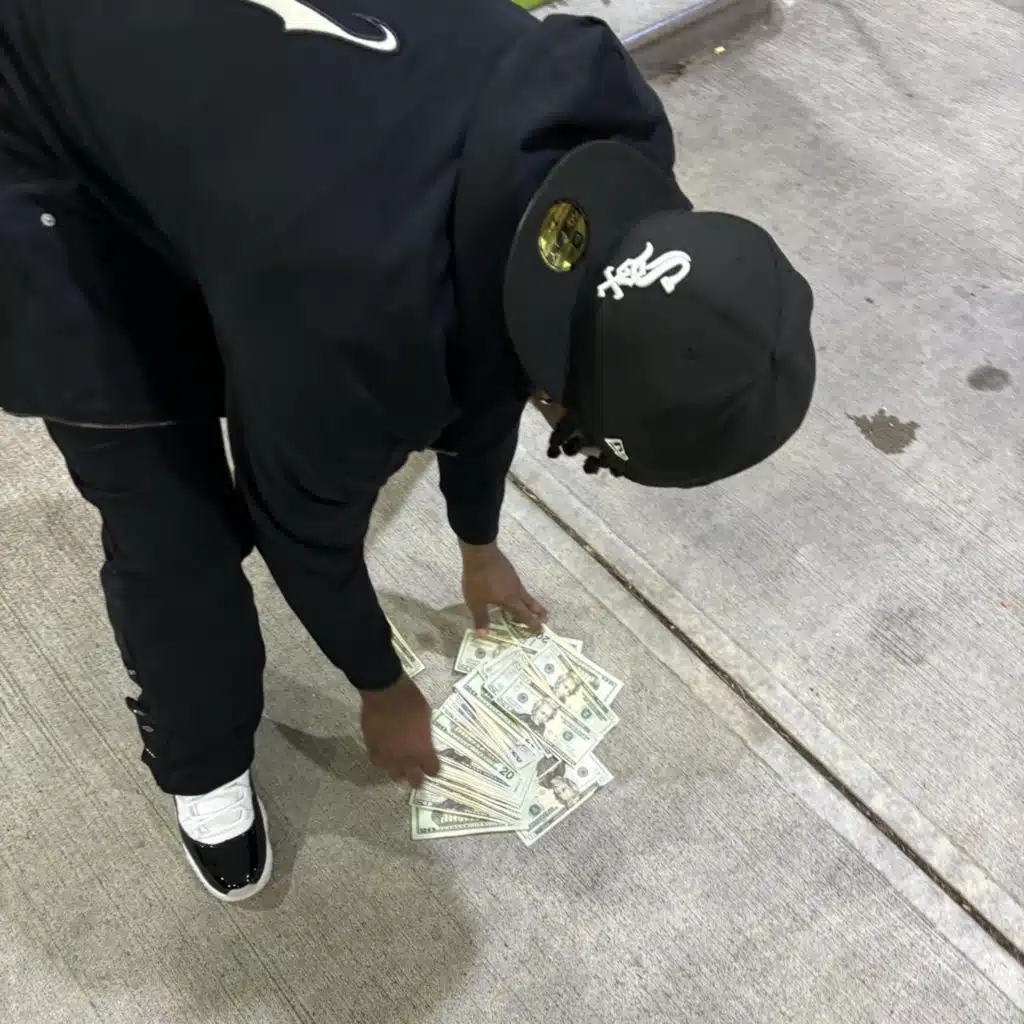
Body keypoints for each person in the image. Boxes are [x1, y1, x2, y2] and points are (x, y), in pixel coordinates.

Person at [0, 0, 815, 902]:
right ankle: (203, 764)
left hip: (213, 101)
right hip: (30, 121)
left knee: (252, 288)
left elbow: (500, 346)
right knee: (177, 533)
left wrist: (479, 543)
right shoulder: (358, 328)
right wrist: (381, 687)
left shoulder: (611, 134)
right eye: (577, 436)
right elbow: (300, 531)